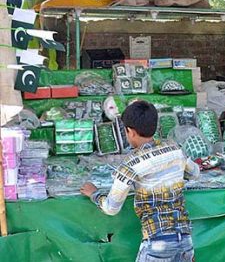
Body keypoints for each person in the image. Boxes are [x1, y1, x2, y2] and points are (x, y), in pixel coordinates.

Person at [80, 101, 200, 262]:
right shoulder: (175, 149)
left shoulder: (131, 164)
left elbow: (111, 208)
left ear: (130, 131)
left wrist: (94, 194)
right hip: (185, 241)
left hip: (158, 244)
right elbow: (194, 173)